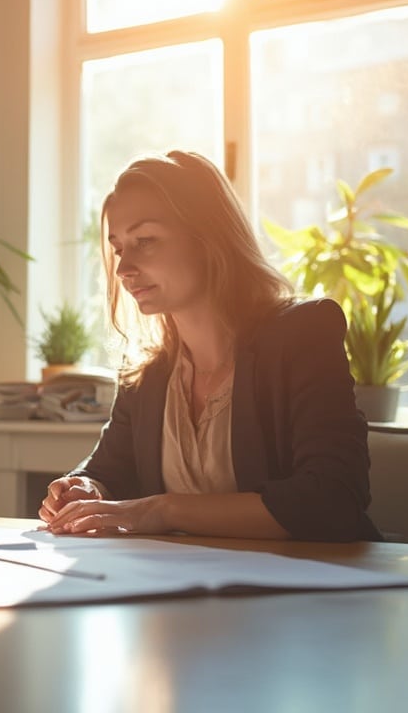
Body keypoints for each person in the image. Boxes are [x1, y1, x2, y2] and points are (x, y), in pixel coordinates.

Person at [39, 151, 380, 542]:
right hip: (182, 593)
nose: (123, 269)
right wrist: (84, 488)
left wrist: (161, 508)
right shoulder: (148, 372)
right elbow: (107, 470)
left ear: (208, 238)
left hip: (317, 591)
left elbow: (332, 498)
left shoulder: (303, 334)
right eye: (119, 248)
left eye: (145, 241)